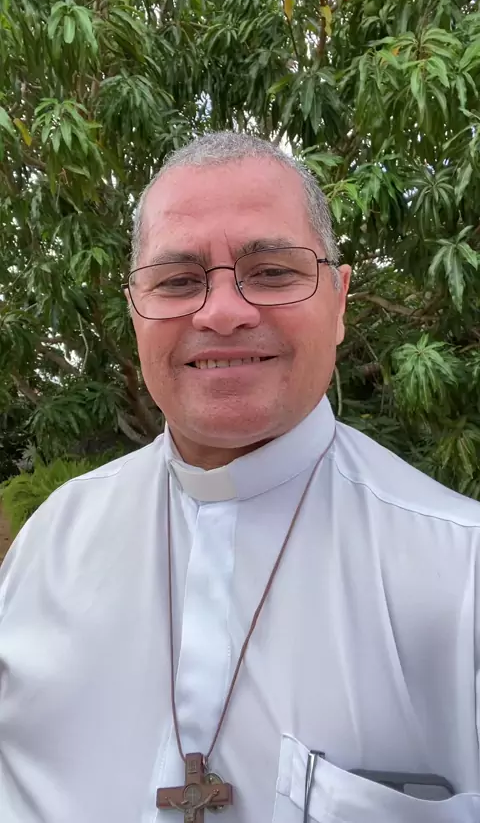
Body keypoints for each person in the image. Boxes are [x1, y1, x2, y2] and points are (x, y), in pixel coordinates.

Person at [1, 132, 480, 823]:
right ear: (135, 311)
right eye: (176, 281)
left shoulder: (461, 573)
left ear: (340, 300)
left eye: (273, 272)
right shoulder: (50, 543)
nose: (222, 313)